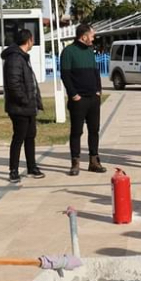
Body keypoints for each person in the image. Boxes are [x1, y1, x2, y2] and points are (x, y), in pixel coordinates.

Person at [60, 23, 105, 176]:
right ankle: (75, 163)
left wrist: (98, 91)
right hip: (78, 100)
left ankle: (94, 161)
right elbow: (65, 75)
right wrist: (74, 95)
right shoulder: (68, 52)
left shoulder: (90, 51)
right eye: (92, 35)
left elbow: (95, 72)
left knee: (94, 130)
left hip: (93, 98)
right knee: (76, 132)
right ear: (84, 36)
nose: (93, 38)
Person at [2, 28, 45, 182]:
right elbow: (14, 85)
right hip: (20, 107)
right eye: (33, 40)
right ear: (29, 40)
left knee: (30, 137)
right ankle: (13, 170)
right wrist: (25, 100)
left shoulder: (23, 57)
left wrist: (35, 101)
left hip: (29, 107)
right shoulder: (15, 58)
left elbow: (29, 81)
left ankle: (32, 166)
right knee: (19, 138)